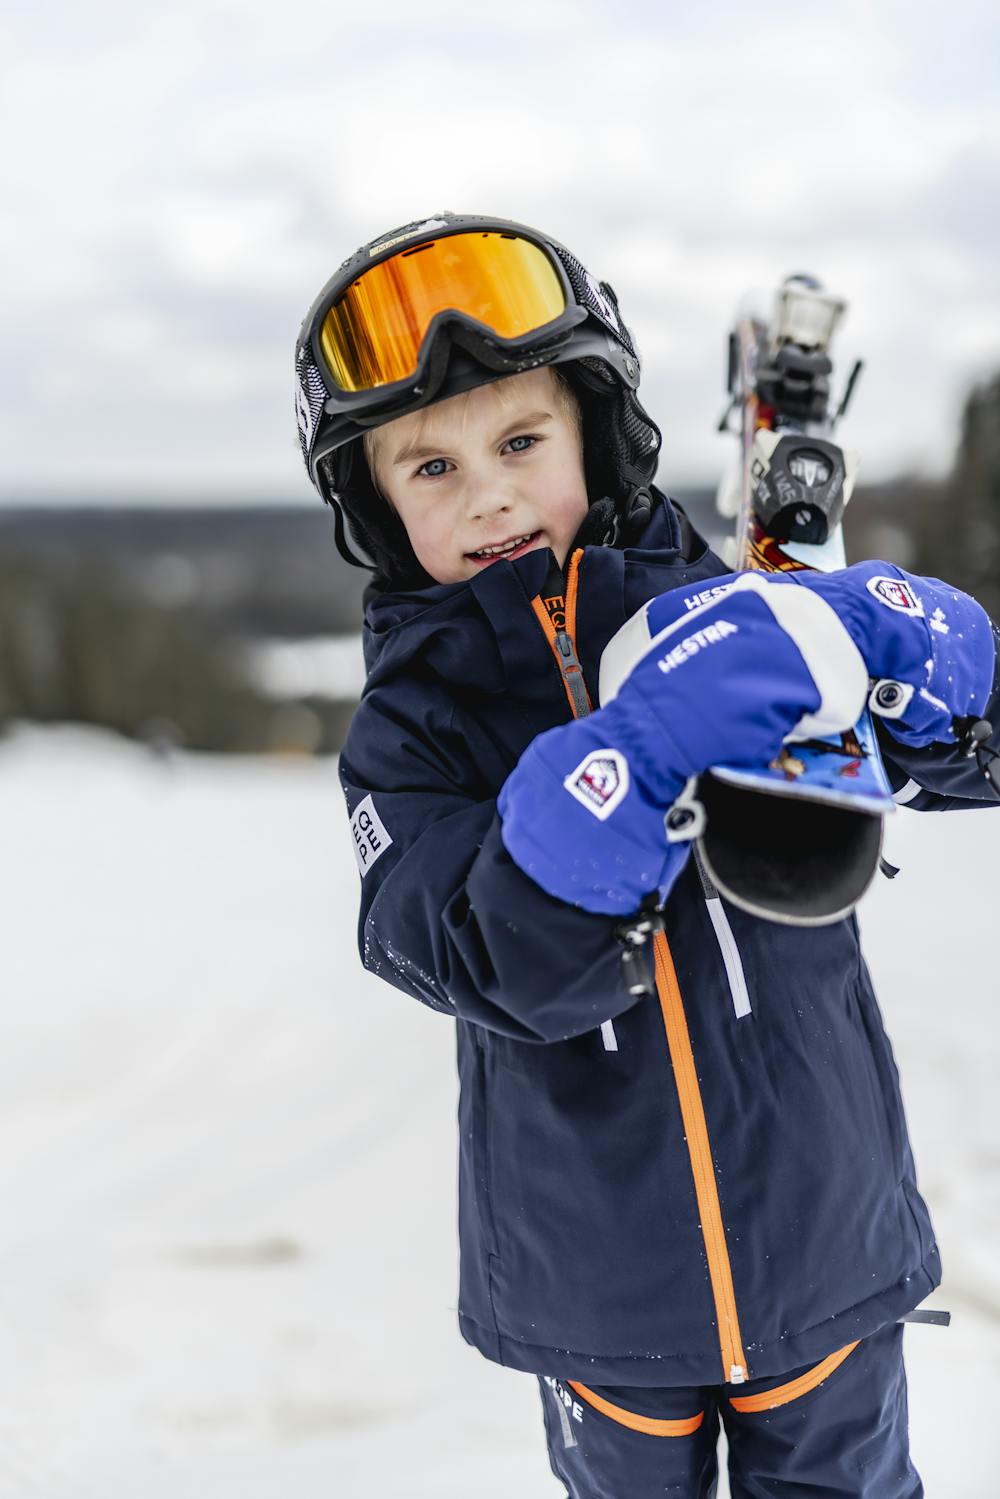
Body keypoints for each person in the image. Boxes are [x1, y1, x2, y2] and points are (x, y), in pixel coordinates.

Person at [294, 213, 1000, 1497]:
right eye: (431, 470)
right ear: (378, 508)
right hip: (597, 1283)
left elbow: (950, 759)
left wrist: (928, 675)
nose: (490, 491)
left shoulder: (737, 611)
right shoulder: (406, 740)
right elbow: (486, 955)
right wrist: (629, 761)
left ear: (596, 431)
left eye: (519, 441)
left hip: (820, 1225)